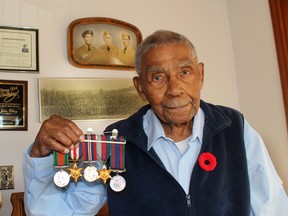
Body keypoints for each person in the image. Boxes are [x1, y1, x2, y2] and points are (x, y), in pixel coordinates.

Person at [23, 30, 288, 215]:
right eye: (158, 78)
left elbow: (272, 207)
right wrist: (39, 155)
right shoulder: (115, 142)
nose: (175, 89)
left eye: (185, 72)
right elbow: (53, 212)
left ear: (201, 75)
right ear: (140, 88)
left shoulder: (235, 128)